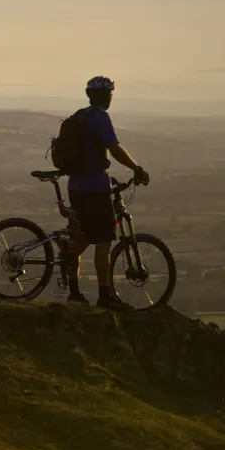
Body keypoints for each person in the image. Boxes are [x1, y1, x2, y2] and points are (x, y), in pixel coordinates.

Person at [63, 76, 150, 309]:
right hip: (95, 189)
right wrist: (136, 168)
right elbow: (115, 148)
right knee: (103, 241)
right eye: (111, 93)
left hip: (74, 186)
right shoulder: (100, 117)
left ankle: (74, 293)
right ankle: (105, 296)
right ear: (106, 95)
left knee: (79, 238)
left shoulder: (79, 116)